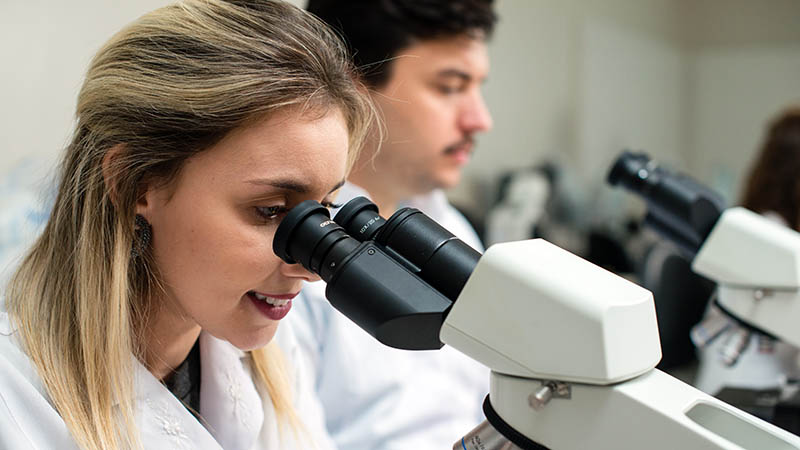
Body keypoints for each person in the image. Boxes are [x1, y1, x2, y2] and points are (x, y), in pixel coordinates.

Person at [0, 1, 376, 448]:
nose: (311, 267)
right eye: (272, 209)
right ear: (136, 185)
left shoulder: (272, 358)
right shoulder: (14, 401)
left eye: (326, 208)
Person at [287, 1, 497, 448]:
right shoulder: (292, 251)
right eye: (450, 87)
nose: (480, 120)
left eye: (477, 88)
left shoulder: (450, 223)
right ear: (351, 83)